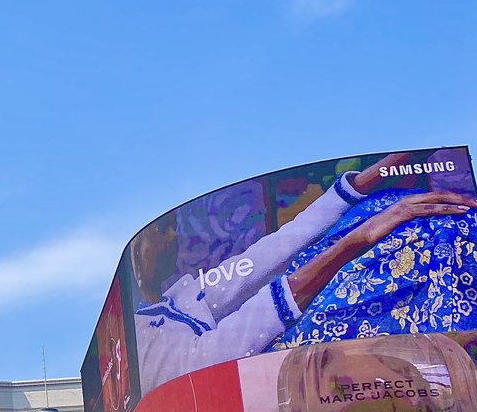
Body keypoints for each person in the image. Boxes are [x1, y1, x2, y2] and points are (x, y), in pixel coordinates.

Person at [130, 151, 477, 392]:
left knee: (385, 213)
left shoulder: (182, 298)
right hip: (281, 380)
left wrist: (363, 182)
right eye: (162, 232)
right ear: (135, 257)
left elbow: (269, 252)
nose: (173, 236)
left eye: (171, 228)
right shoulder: (139, 340)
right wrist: (362, 238)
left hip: (292, 330)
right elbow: (237, 339)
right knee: (411, 239)